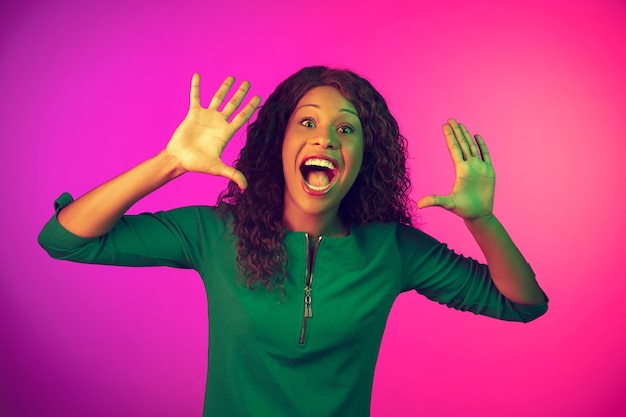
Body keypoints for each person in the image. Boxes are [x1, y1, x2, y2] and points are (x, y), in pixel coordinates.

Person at [38, 66, 548, 417]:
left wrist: (481, 220)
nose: (325, 138)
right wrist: (169, 163)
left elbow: (522, 304)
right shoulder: (214, 233)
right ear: (279, 143)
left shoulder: (393, 250)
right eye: (307, 122)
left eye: (345, 130)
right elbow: (65, 238)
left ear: (364, 160)